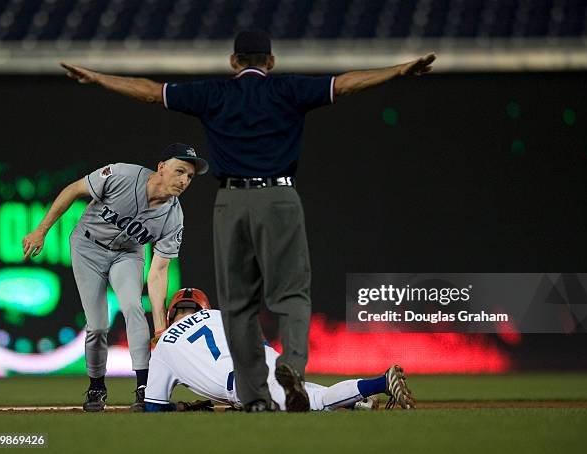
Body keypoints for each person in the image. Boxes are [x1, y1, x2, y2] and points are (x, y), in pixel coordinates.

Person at [59, 30, 435, 412]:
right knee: (292, 293)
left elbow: (149, 91)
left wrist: (98, 77)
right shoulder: (288, 89)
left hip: (231, 200)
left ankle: (254, 394)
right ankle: (292, 365)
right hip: (280, 195)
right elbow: (349, 83)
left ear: (234, 62)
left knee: (237, 300)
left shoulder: (215, 93)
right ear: (270, 62)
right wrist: (399, 69)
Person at [22, 143, 208, 412]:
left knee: (133, 307)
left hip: (128, 254)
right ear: (161, 167)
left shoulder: (173, 217)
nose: (184, 180)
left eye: (189, 176)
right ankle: (97, 386)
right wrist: (41, 230)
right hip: (87, 248)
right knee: (97, 325)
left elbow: (158, 271)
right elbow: (74, 189)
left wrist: (159, 327)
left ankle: (145, 386)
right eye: (179, 171)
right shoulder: (122, 175)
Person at [144, 288, 415, 412]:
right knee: (309, 392)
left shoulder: (163, 345)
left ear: (170, 315)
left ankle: (383, 381)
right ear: (202, 307)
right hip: (263, 359)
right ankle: (356, 402)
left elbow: (153, 407)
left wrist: (181, 407)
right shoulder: (216, 315)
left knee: (314, 404)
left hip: (241, 383)